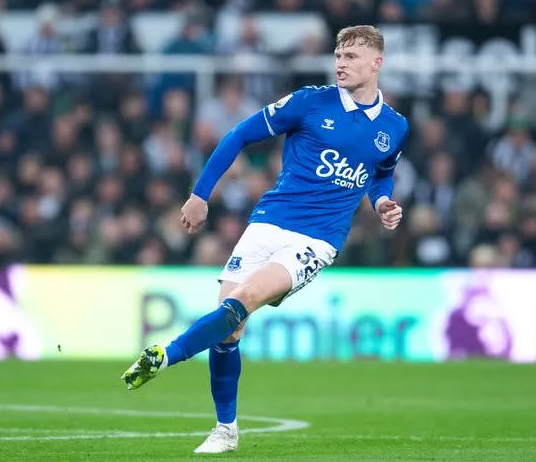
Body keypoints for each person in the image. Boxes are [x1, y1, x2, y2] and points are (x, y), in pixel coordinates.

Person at [121, 25, 408, 453]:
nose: (341, 63)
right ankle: (226, 430)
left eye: (351, 56)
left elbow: (380, 173)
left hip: (317, 239)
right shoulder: (311, 101)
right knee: (228, 332)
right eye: (338, 54)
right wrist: (200, 194)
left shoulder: (394, 126)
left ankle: (166, 354)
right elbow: (239, 134)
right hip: (268, 223)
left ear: (376, 63)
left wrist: (382, 202)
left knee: (244, 302)